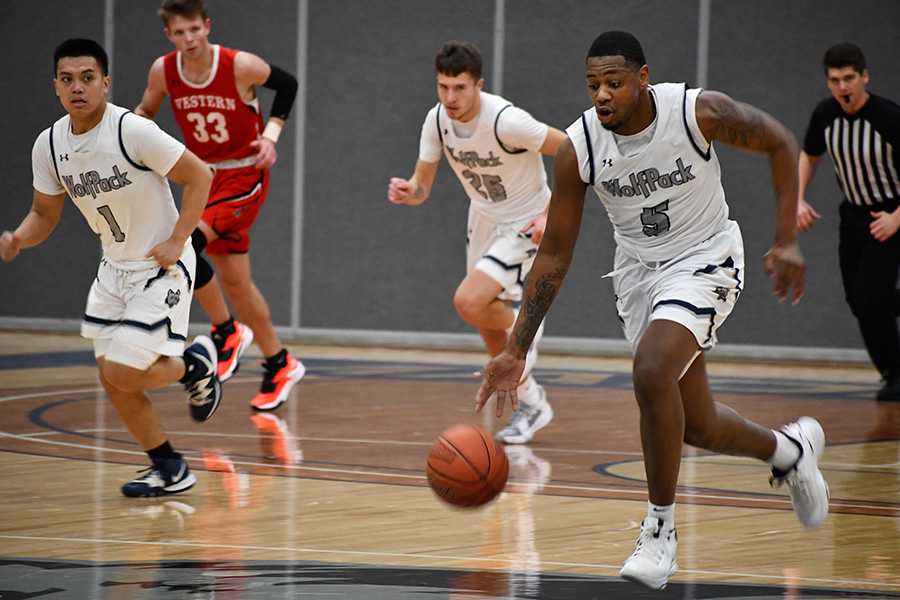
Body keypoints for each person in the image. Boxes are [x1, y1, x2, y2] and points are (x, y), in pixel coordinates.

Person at [474, 31, 829, 590]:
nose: (602, 95)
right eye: (593, 85)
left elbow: (781, 142)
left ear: (642, 78)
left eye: (614, 82)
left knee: (651, 371)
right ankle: (789, 451)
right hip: (640, 274)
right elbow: (556, 252)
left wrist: (786, 238)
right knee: (700, 426)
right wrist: (517, 347)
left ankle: (660, 533)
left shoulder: (697, 113)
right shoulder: (579, 148)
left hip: (706, 258)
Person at [0, 38, 218, 497]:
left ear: (105, 82)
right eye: (67, 79)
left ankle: (194, 365)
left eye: (87, 78)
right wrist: (20, 236)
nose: (77, 87)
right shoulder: (51, 144)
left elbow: (201, 175)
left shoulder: (131, 130)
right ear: (56, 86)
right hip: (113, 270)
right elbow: (44, 214)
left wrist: (179, 239)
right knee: (114, 380)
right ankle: (170, 467)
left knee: (121, 370)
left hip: (162, 266)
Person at [388, 41, 567, 444]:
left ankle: (528, 325)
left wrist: (549, 213)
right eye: (443, 86)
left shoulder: (507, 121)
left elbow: (575, 153)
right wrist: (408, 190)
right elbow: (423, 187)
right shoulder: (437, 122)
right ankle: (533, 403)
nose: (450, 97)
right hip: (484, 219)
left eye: (460, 88)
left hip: (526, 221)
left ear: (478, 85)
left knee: (469, 302)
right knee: (486, 326)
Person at [135, 0, 304, 411]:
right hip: (202, 178)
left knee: (184, 247)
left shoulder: (238, 65)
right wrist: (130, 137)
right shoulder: (164, 71)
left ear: (206, 26)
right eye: (180, 33)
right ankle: (280, 362)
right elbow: (146, 113)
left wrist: (271, 135)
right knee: (236, 283)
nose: (189, 39)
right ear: (169, 36)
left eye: (194, 29)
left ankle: (226, 331)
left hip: (245, 174)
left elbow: (288, 84)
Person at [796, 43, 900, 402]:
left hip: (891, 212)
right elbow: (809, 156)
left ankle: (896, 373)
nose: (843, 87)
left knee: (872, 297)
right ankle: (892, 371)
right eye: (835, 80)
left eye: (850, 78)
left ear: (864, 77)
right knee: (858, 299)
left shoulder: (888, 117)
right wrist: (798, 199)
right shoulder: (826, 115)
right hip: (854, 215)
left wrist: (896, 219)